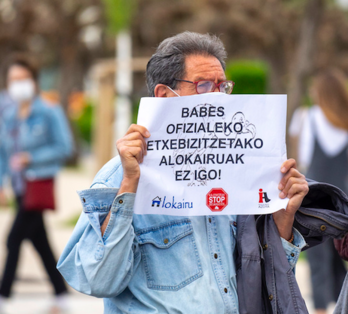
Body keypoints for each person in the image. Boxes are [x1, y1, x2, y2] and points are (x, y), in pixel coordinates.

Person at [58, 32, 348, 314]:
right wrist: (129, 184)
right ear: (164, 95)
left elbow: (264, 279)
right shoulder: (120, 176)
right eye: (203, 85)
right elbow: (96, 279)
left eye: (223, 87)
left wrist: (282, 218)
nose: (218, 97)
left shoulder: (241, 171)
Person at [0, 55, 73, 313]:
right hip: (19, 189)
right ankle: (61, 291)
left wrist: (32, 157)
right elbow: (3, 152)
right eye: (13, 80)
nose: (18, 84)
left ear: (33, 80)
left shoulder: (49, 110)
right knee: (39, 241)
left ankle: (3, 293)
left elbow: (65, 147)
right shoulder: (8, 114)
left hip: (38, 184)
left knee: (13, 239)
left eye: (23, 79)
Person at [289, 69, 348, 314]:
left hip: (318, 198)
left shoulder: (307, 117)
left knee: (317, 259)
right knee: (341, 257)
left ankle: (321, 309)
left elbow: (301, 158)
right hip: (344, 198)